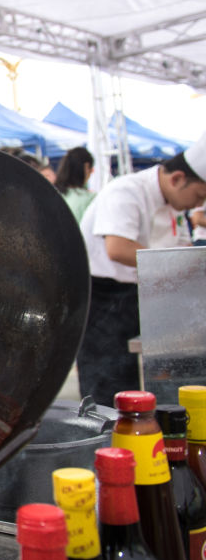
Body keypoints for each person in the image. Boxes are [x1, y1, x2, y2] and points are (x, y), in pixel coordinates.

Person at [76, 132, 206, 406]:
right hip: (103, 299)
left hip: (142, 295)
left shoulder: (172, 205)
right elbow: (118, 248)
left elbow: (180, 248)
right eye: (199, 196)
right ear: (177, 178)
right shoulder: (126, 191)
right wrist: (172, 265)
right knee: (109, 386)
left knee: (141, 388)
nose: (198, 205)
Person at [53, 146, 95, 222]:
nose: (92, 172)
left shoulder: (52, 193)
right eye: (91, 169)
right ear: (86, 167)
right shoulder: (90, 198)